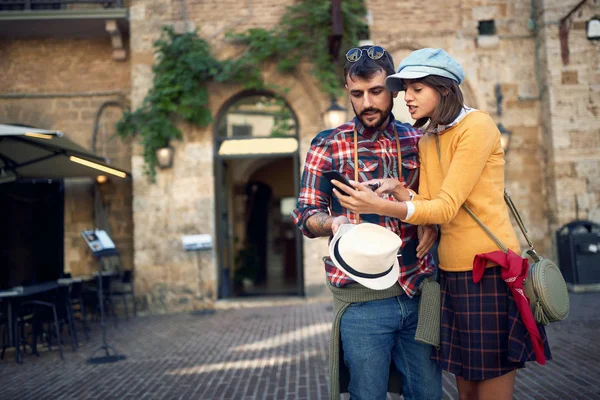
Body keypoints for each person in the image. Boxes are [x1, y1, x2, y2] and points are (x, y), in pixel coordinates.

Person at [332, 48, 552, 400]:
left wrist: (381, 206)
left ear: (444, 89)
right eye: (405, 90)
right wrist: (402, 190)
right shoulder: (429, 137)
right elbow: (428, 203)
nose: (408, 99)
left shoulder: (476, 126)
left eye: (417, 89)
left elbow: (446, 208)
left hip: (489, 269)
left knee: (491, 389)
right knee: (466, 391)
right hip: (449, 274)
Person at [291, 45, 442, 400]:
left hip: (419, 290)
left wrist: (431, 221)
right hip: (361, 302)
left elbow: (441, 204)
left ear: (392, 89)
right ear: (348, 92)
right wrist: (331, 223)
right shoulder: (327, 144)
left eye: (376, 91)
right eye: (357, 94)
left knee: (429, 395)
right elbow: (304, 213)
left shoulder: (419, 140)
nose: (367, 103)